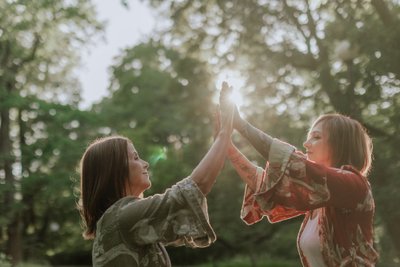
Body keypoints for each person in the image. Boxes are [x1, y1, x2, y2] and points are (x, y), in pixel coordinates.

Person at [77, 82, 234, 267]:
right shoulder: (122, 218)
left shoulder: (120, 220)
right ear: (115, 169)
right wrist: (225, 134)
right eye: (135, 157)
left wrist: (220, 144)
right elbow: (194, 188)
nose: (145, 163)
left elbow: (199, 185)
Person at [219, 86, 379, 266]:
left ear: (339, 144)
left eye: (316, 137)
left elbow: (290, 163)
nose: (306, 143)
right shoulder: (319, 196)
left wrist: (240, 124)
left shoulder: (353, 184)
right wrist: (226, 143)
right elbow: (264, 184)